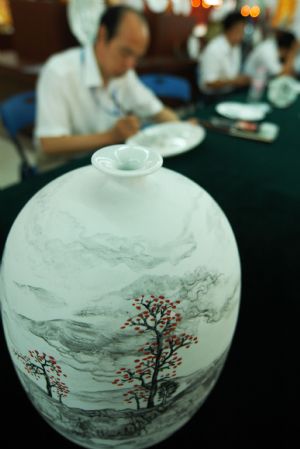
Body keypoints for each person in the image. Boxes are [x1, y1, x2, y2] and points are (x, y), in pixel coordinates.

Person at [34, 5, 180, 168]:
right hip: (63, 167)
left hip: (106, 160)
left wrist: (183, 129)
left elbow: (156, 110)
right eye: (125, 53)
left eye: (137, 58)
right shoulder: (59, 71)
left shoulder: (125, 73)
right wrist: (111, 136)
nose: (130, 65)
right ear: (102, 35)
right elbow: (49, 144)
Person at [198, 11, 251, 95]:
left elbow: (232, 74)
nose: (242, 35)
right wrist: (234, 81)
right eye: (240, 31)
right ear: (230, 30)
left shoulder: (235, 47)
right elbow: (208, 82)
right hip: (212, 97)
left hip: (229, 92)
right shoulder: (214, 49)